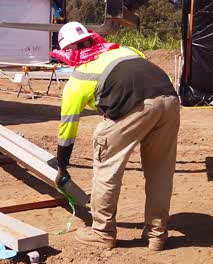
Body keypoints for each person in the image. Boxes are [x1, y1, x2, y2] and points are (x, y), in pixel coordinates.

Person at [50, 22, 180, 251]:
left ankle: (102, 232)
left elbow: (67, 129)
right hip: (170, 100)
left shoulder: (79, 78)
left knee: (107, 167)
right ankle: (157, 235)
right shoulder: (126, 50)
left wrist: (62, 165)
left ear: (67, 53)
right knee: (160, 171)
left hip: (136, 107)